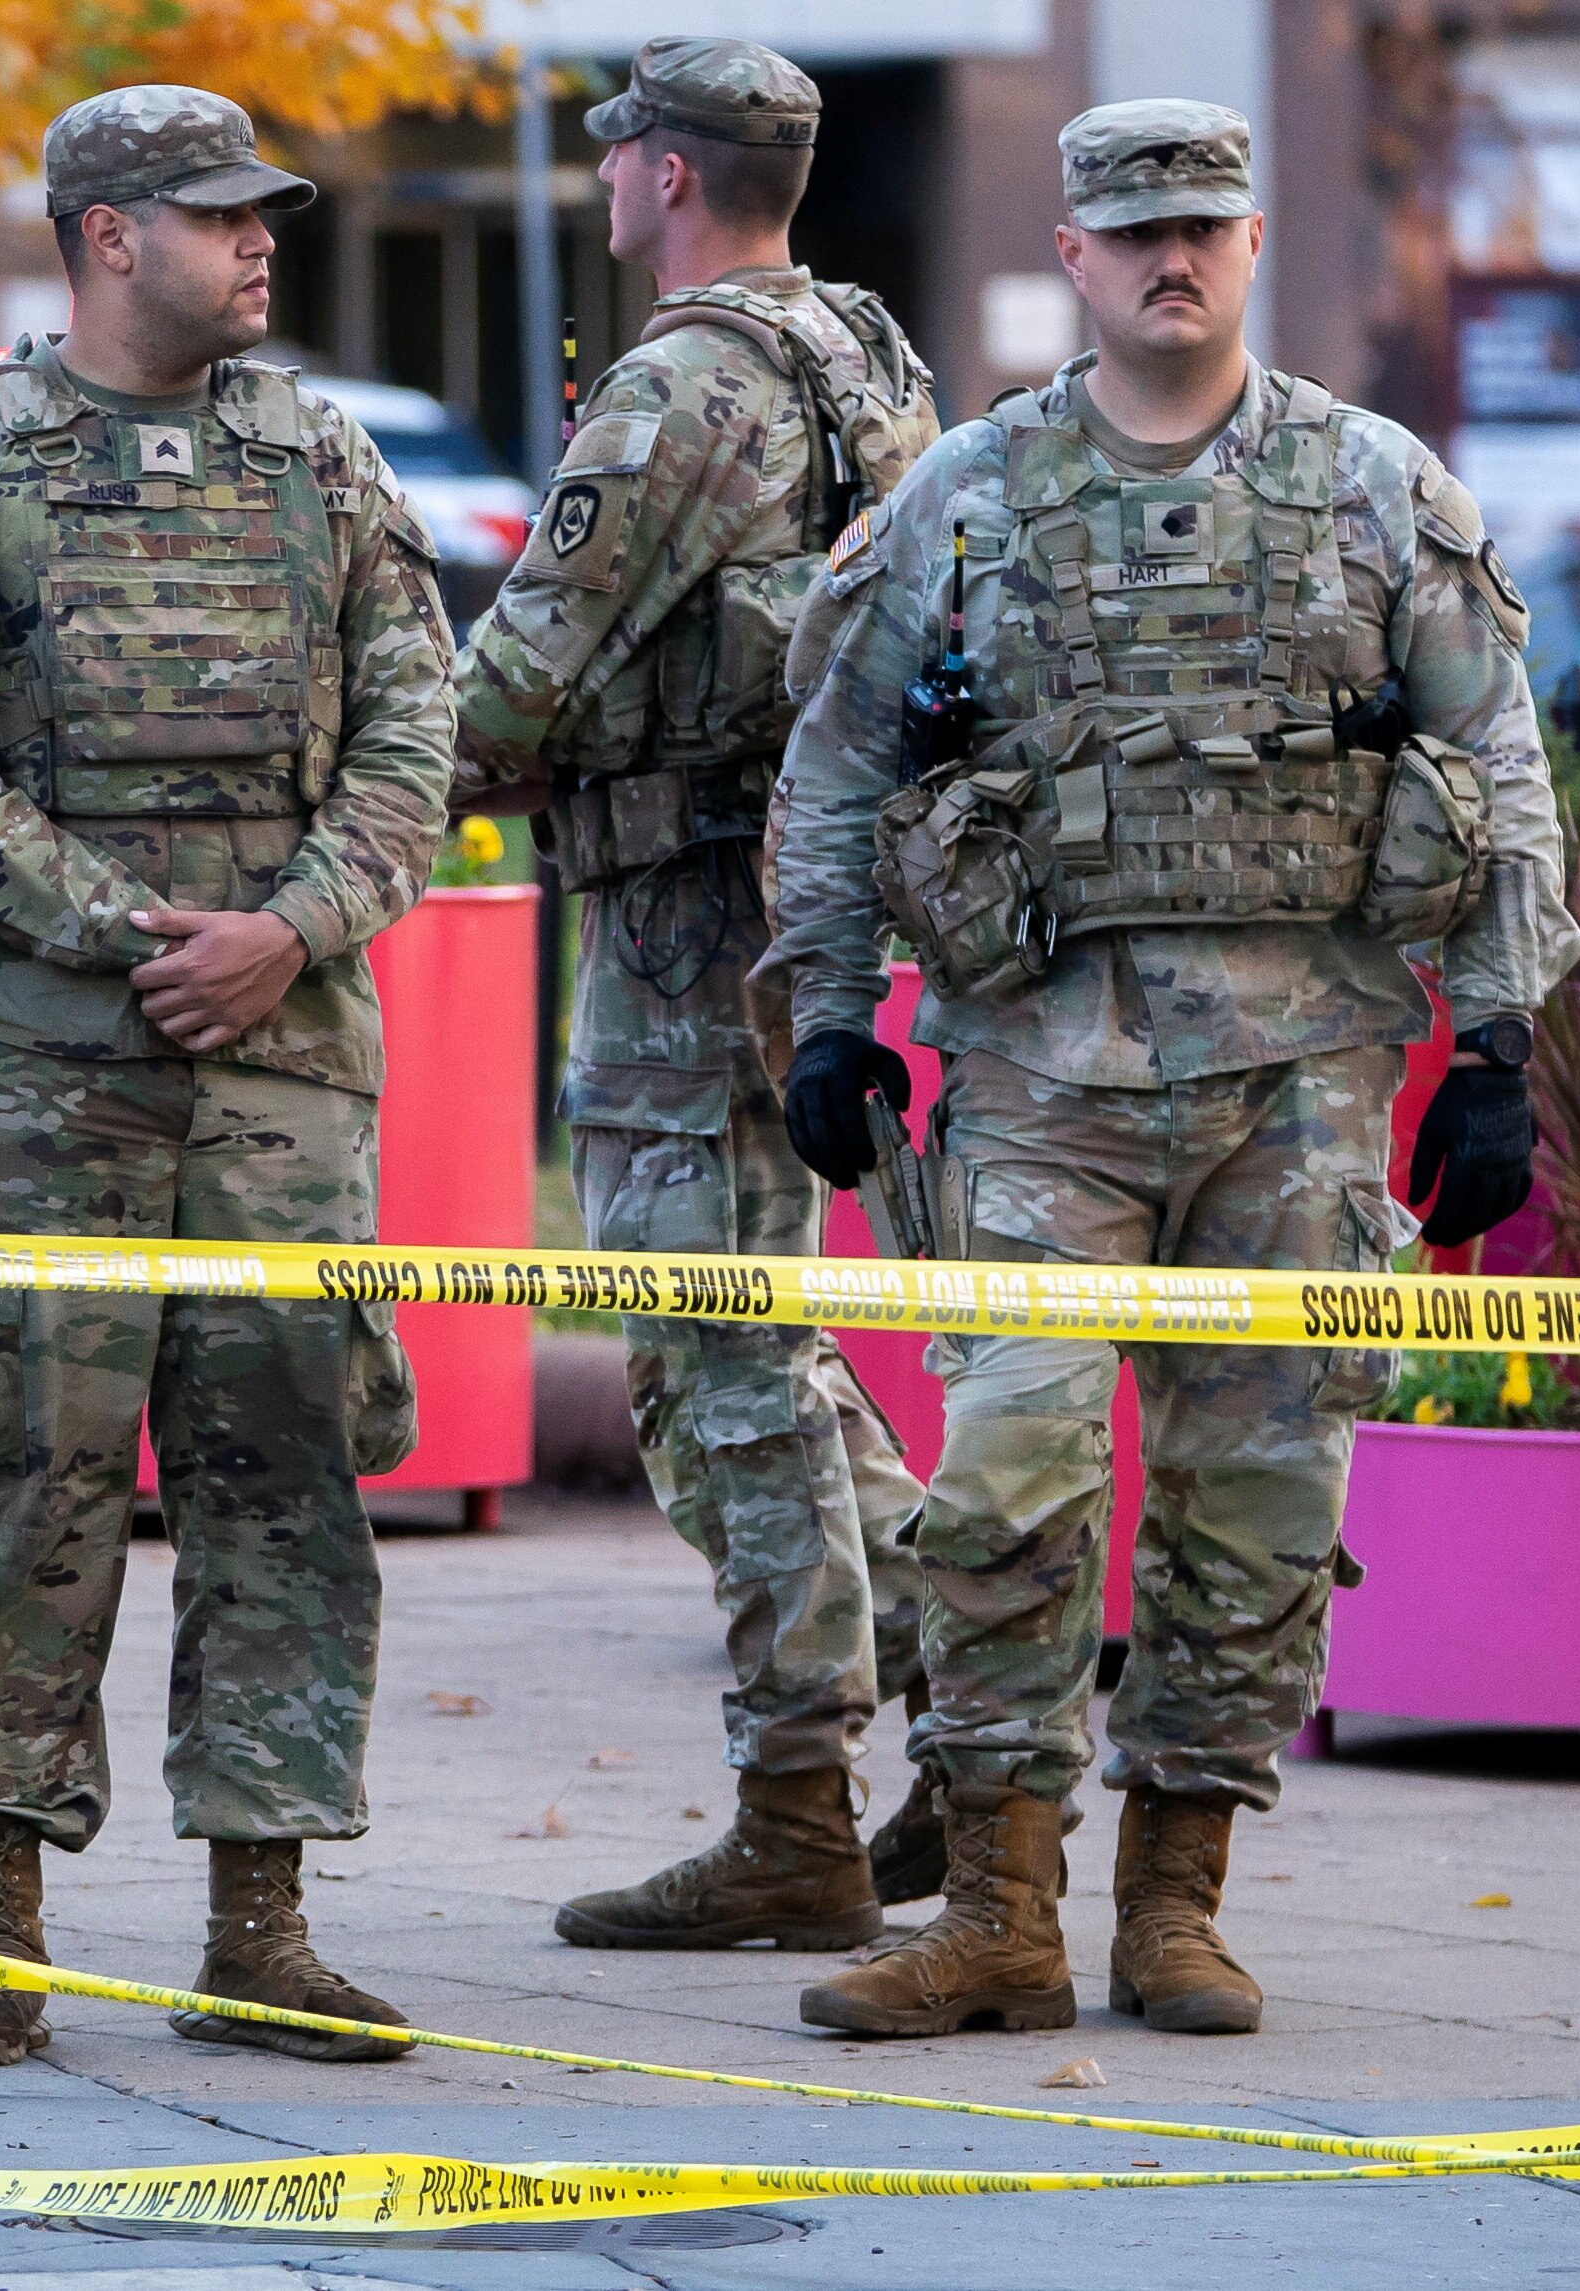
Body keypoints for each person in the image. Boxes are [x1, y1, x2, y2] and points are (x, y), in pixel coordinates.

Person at [770, 104, 1579, 2038]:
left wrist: (1495, 1041)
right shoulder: (966, 495)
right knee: (1007, 1486)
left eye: (1201, 226)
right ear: (1069, 251)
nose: (1170, 261)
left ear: (1247, 239)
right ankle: (991, 1912)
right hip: (1039, 1071)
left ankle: (1175, 1905)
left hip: (1299, 1081)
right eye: (1132, 231)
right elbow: (836, 771)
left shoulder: (1372, 485)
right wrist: (821, 1009)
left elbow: (1503, 760)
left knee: (1257, 1501)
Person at [0, 87, 454, 2069]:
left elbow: (418, 718)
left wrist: (292, 925)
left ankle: (258, 1927)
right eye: (220, 217)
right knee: (23, 1467)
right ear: (105, 235)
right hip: (35, 1068)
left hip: (282, 1065)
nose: (264, 243)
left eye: (266, 216)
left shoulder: (323, 457)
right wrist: (115, 930)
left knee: (284, 1480)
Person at [453, 38, 957, 1953]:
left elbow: (517, 688)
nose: (596, 189)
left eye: (613, 162)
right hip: (816, 918)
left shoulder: (675, 386)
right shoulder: (867, 357)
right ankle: (978, 1683)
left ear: (668, 177)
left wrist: (341, 799)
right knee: (775, 1344)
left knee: (709, 1356)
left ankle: (795, 1806)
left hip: (682, 931)